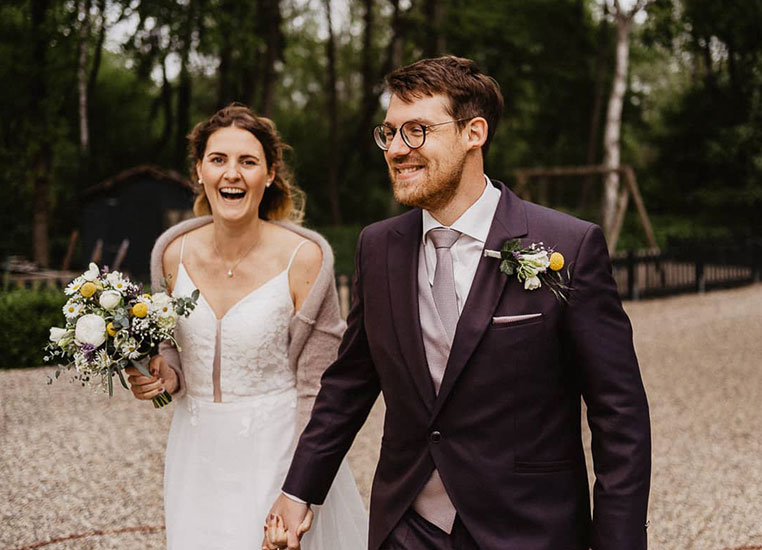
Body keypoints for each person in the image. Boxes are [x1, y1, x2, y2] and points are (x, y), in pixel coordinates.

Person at [266, 56, 651, 550]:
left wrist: (618, 541)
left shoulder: (568, 246)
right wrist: (299, 490)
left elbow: (619, 413)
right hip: (407, 527)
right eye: (389, 134)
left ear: (475, 132)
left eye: (418, 131)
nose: (397, 150)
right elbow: (349, 383)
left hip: (529, 529)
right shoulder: (377, 247)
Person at [125, 104, 367, 550]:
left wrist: (300, 489)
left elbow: (320, 384)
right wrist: (160, 375)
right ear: (199, 171)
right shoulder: (170, 254)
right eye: (218, 160)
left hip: (278, 456)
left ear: (270, 174)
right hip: (195, 453)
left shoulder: (306, 259)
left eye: (248, 161)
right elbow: (171, 351)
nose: (231, 174)